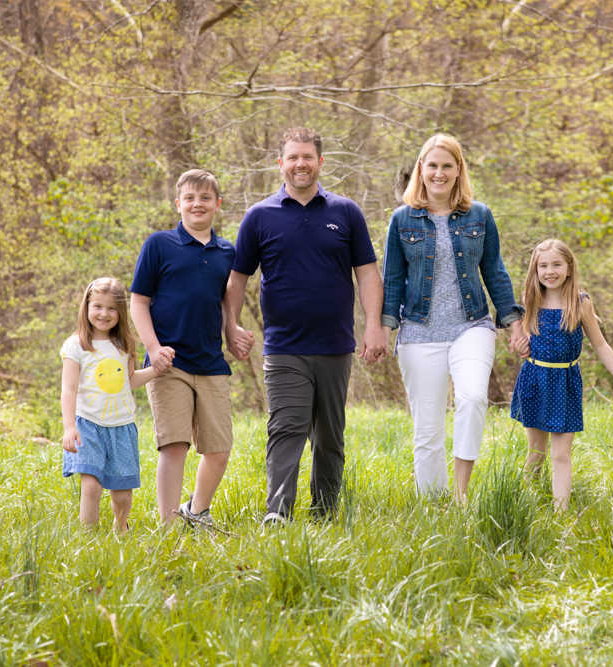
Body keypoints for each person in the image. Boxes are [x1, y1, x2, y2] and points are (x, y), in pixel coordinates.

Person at [225, 126, 387, 524]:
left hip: (336, 344)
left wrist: (374, 326)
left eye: (307, 157)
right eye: (292, 157)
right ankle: (277, 514)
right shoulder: (259, 216)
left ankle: (326, 515)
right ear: (280, 163)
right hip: (284, 346)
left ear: (320, 162)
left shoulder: (345, 212)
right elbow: (236, 278)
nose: (300, 164)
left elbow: (367, 273)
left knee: (330, 437)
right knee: (287, 429)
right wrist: (230, 326)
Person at [381, 134, 526, 502]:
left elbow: (495, 272)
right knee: (427, 431)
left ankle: (461, 496)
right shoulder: (402, 219)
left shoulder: (480, 215)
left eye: (447, 165)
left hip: (471, 325)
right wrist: (384, 330)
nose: (439, 173)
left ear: (459, 169)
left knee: (474, 397)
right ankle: (433, 505)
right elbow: (392, 279)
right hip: (418, 331)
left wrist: (514, 324)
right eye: (432, 165)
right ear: (421, 170)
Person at [130, 169, 252, 527]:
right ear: (178, 204)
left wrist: (232, 330)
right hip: (168, 364)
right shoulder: (159, 244)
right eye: (189, 198)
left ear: (218, 204)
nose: (197, 204)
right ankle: (167, 526)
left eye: (205, 198)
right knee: (174, 445)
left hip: (211, 362)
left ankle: (195, 512)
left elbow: (225, 301)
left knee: (219, 449)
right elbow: (139, 302)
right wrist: (152, 348)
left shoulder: (227, 251)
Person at [509, 238, 613, 511]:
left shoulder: (581, 303)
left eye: (556, 264)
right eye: (543, 266)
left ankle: (561, 514)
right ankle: (529, 505)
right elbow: (520, 340)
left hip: (565, 383)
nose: (550, 271)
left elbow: (601, 344)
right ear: (535, 270)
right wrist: (520, 342)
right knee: (536, 452)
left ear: (569, 267)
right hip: (534, 380)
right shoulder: (530, 299)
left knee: (560, 454)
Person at [60, 277, 166, 532]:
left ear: (121, 313)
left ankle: (121, 530)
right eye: (97, 306)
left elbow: (129, 380)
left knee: (122, 491)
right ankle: (89, 538)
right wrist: (69, 427)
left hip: (121, 427)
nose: (104, 314)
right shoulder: (77, 345)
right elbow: (69, 389)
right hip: (88, 426)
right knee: (92, 486)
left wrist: (156, 370)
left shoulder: (124, 345)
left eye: (111, 308)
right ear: (86, 308)